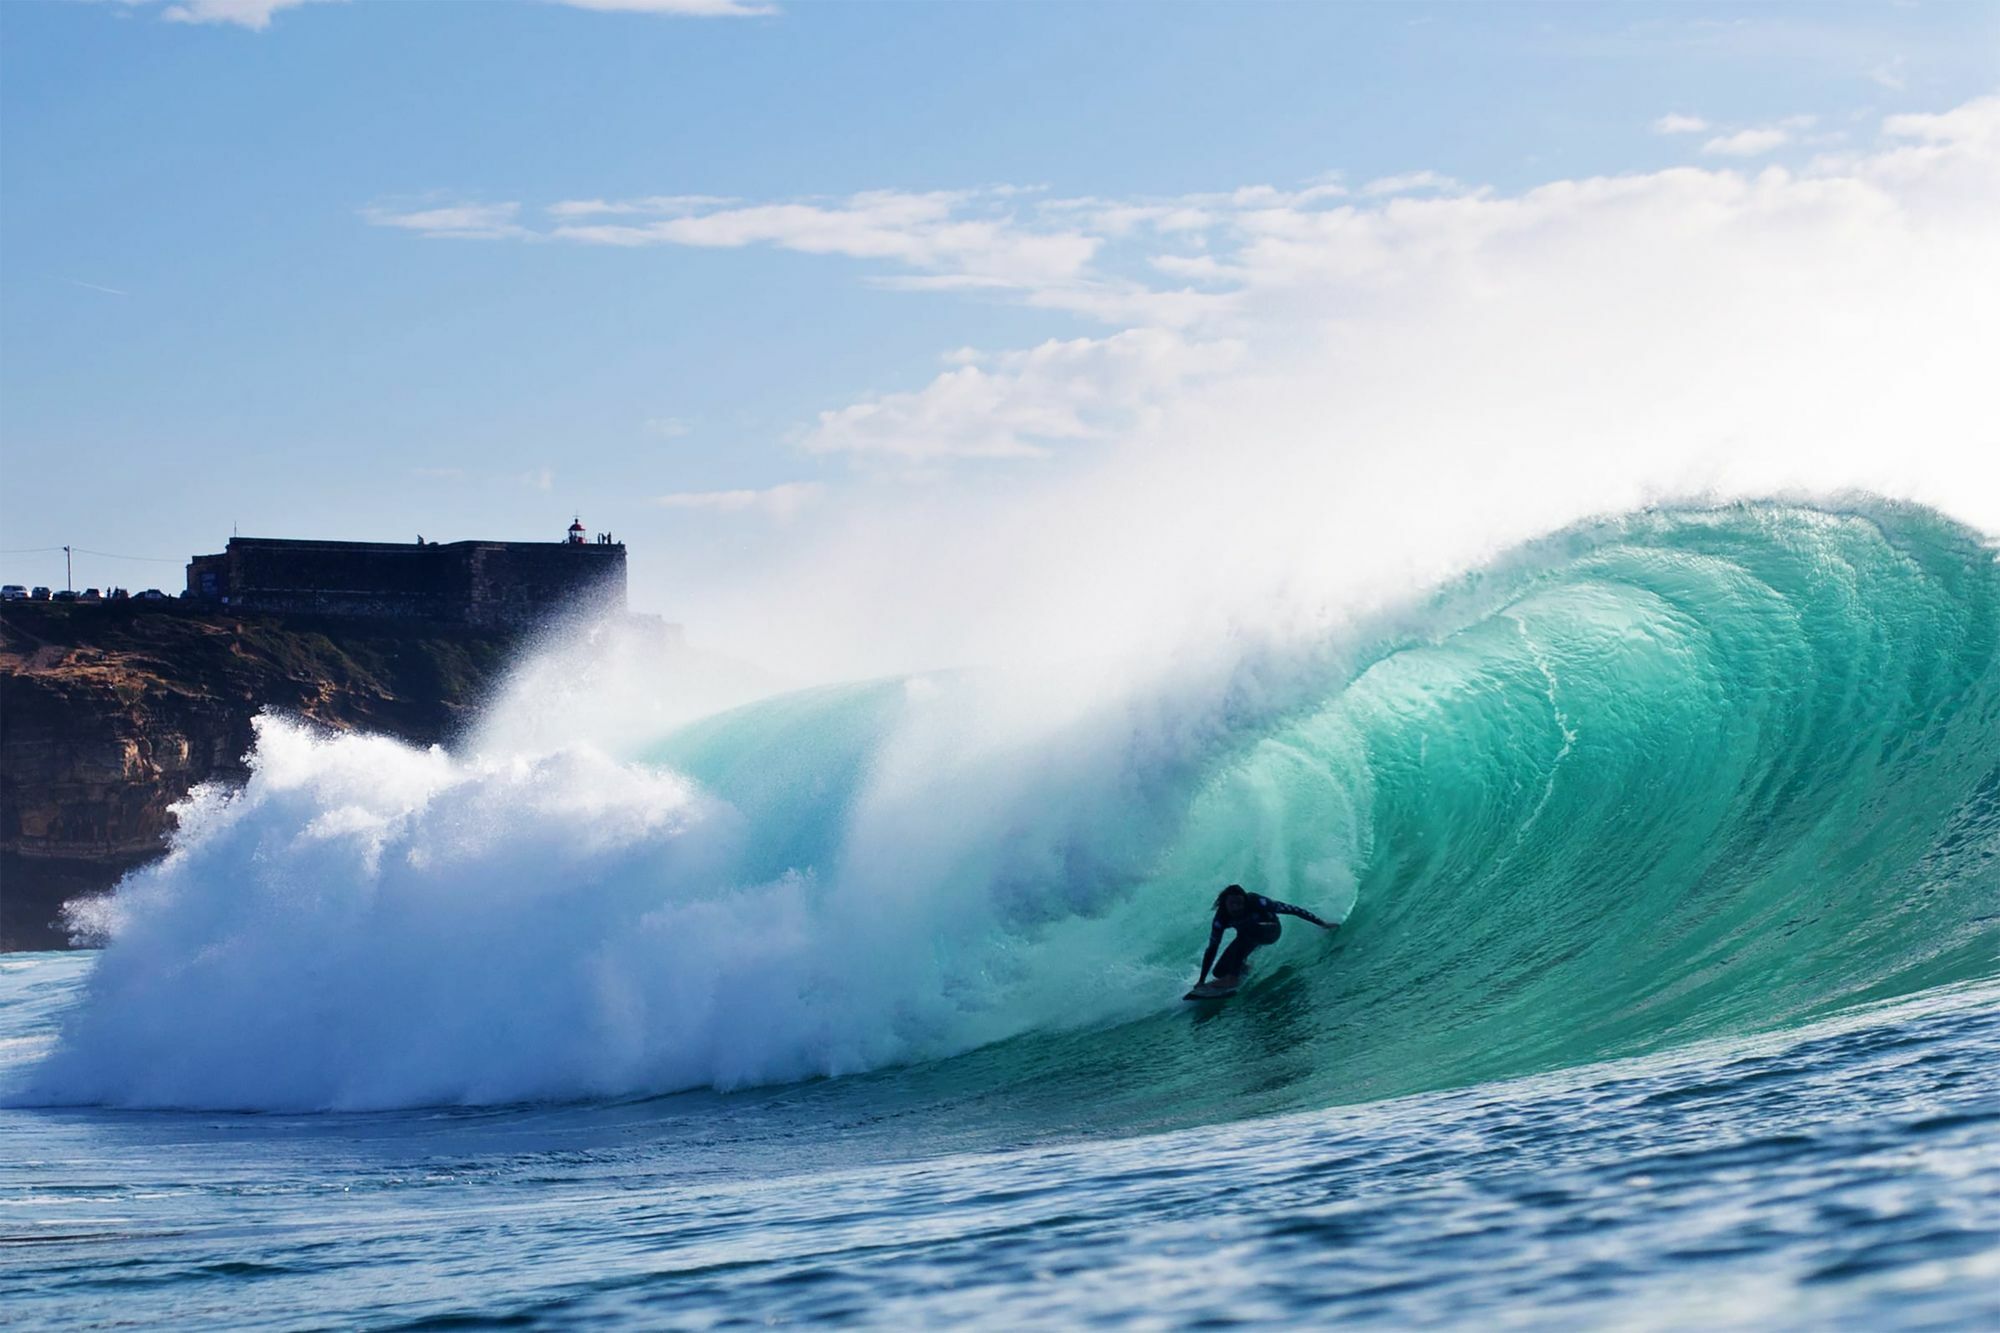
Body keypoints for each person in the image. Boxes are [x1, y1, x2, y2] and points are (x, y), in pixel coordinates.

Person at [1196, 883, 1335, 988]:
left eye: (1240, 903)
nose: (1237, 907)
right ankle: (1244, 969)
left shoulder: (1256, 901)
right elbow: (1212, 948)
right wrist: (1201, 981)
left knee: (1246, 929)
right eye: (1232, 904)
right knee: (1219, 971)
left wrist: (1322, 923)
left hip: (1271, 931)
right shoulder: (1221, 918)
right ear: (1225, 903)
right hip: (1248, 938)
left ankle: (1233, 978)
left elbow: (1291, 909)